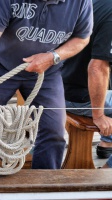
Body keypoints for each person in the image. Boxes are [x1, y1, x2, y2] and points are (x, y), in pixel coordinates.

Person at [0, 0, 93, 169]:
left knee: (54, 132)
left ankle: (46, 186)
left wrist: (53, 56)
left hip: (47, 71)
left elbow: (82, 38)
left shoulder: (81, 2)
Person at [61, 0, 112, 168]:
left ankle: (107, 143)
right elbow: (97, 68)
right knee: (102, 66)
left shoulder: (96, 3)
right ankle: (106, 173)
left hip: (57, 86)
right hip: (78, 97)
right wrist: (98, 115)